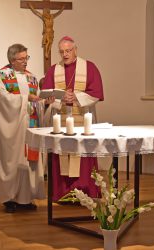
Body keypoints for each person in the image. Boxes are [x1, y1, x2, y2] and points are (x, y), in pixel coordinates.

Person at [0, 44, 49, 213]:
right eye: (21, 59)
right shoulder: (2, 76)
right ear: (12, 60)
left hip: (30, 127)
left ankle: (26, 198)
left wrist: (44, 102)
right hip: (12, 128)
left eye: (26, 58)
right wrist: (26, 98)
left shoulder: (32, 78)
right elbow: (3, 100)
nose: (25, 62)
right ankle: (9, 199)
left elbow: (37, 102)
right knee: (12, 162)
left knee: (29, 163)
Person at [42, 36, 104, 202]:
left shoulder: (89, 67)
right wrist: (59, 99)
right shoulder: (54, 70)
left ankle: (85, 191)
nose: (65, 54)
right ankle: (62, 193)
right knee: (61, 155)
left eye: (68, 51)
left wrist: (76, 98)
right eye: (62, 51)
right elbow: (46, 95)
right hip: (60, 121)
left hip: (83, 121)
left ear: (76, 50)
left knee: (83, 156)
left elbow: (96, 93)